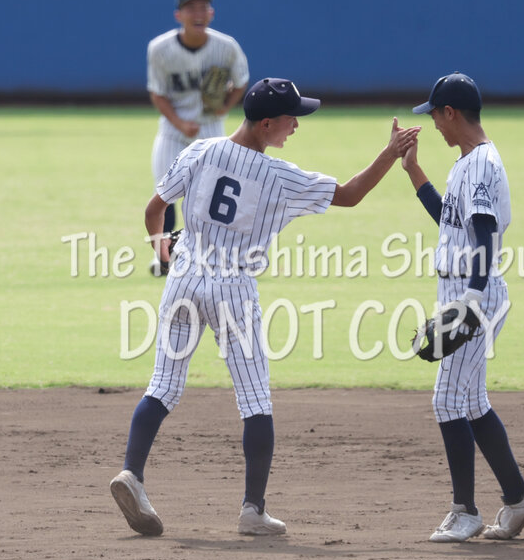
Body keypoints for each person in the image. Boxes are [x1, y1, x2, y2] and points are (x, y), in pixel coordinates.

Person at [110, 77, 420, 536]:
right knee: (255, 399)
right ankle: (253, 511)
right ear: (267, 123)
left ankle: (132, 474)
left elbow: (154, 210)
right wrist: (391, 153)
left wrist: (164, 252)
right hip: (233, 290)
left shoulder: (200, 151)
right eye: (292, 118)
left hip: (183, 282)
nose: (296, 126)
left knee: (163, 386)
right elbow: (350, 194)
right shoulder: (279, 177)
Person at [400, 72, 524, 542]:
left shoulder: (480, 163)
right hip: (465, 291)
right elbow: (451, 219)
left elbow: (482, 232)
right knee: (470, 401)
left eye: (435, 116)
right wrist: (413, 170)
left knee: (447, 400)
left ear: (451, 113)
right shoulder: (468, 161)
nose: (433, 125)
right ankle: (518, 499)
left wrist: (472, 299)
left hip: (472, 293)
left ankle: (464, 511)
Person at [147, 0, 249, 236]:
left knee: (212, 197)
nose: (198, 14)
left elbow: (241, 81)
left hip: (211, 129)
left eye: (204, 7)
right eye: (191, 8)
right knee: (165, 193)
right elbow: (158, 93)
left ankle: (210, 250)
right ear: (178, 16)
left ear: (212, 14)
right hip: (172, 132)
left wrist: (226, 106)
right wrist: (180, 123)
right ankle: (163, 253)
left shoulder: (226, 47)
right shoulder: (160, 48)